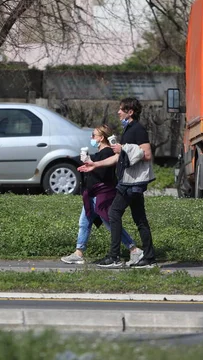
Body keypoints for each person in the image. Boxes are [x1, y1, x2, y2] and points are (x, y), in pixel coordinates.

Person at [78, 98, 157, 269]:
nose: (118, 112)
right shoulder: (128, 129)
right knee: (139, 219)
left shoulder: (138, 129)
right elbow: (117, 158)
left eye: (122, 109)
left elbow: (147, 154)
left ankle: (114, 257)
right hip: (129, 181)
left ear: (130, 112)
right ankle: (148, 257)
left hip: (130, 182)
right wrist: (95, 164)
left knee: (114, 213)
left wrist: (124, 149)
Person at [61, 124, 143, 265]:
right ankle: (78, 252)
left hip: (102, 194)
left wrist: (91, 166)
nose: (91, 138)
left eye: (93, 135)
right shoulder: (100, 154)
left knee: (110, 223)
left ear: (101, 138)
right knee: (84, 223)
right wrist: (87, 163)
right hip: (92, 194)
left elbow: (104, 174)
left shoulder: (107, 153)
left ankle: (134, 249)